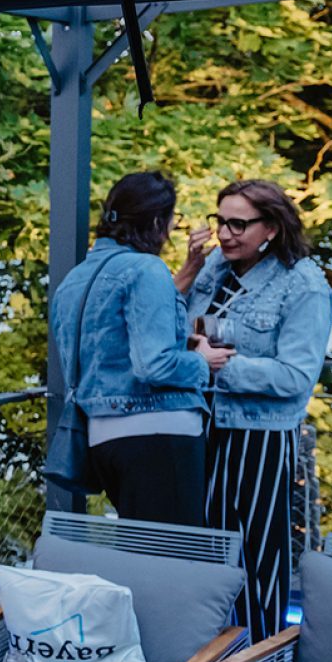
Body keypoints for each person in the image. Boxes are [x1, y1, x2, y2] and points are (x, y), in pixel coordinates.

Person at [177, 178, 332, 636]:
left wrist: (222, 366)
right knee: (202, 557)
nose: (224, 234)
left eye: (238, 224)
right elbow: (168, 326)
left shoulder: (304, 285)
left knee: (258, 563)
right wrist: (187, 268)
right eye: (220, 221)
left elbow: (296, 379)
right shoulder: (213, 271)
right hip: (198, 430)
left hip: (258, 440)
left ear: (271, 228)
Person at [47, 171, 217, 526]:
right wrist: (201, 361)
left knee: (142, 553)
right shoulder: (146, 269)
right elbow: (153, 366)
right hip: (158, 432)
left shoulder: (74, 280)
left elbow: (109, 348)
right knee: (175, 558)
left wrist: (187, 274)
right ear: (157, 221)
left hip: (102, 437)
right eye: (170, 221)